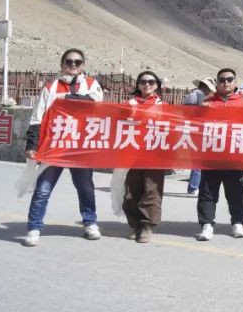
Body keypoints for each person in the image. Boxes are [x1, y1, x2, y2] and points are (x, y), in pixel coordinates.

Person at [23, 48, 104, 247]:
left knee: (85, 188)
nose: (73, 64)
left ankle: (90, 222)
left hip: (80, 147)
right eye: (69, 61)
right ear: (62, 64)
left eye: (77, 61)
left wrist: (66, 99)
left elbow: (97, 107)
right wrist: (32, 143)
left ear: (83, 65)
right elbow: (37, 117)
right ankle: (34, 227)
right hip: (54, 146)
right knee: (43, 189)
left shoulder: (92, 85)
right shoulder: (50, 87)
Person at [196, 68, 243, 241]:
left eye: (229, 79)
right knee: (207, 191)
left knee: (235, 192)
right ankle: (207, 224)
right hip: (211, 156)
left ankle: (237, 222)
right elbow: (196, 127)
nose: (225, 82)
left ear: (235, 82)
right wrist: (200, 112)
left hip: (234, 157)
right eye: (221, 80)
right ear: (217, 83)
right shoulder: (207, 101)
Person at [122, 71, 165, 243]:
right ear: (138, 85)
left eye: (151, 82)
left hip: (155, 153)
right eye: (143, 82)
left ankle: (147, 225)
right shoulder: (128, 104)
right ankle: (135, 224)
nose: (147, 85)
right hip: (132, 152)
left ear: (156, 85)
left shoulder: (163, 105)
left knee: (151, 190)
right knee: (131, 192)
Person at [183, 77, 215, 196]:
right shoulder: (198, 96)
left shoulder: (192, 95)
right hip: (198, 131)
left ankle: (196, 186)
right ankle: (194, 187)